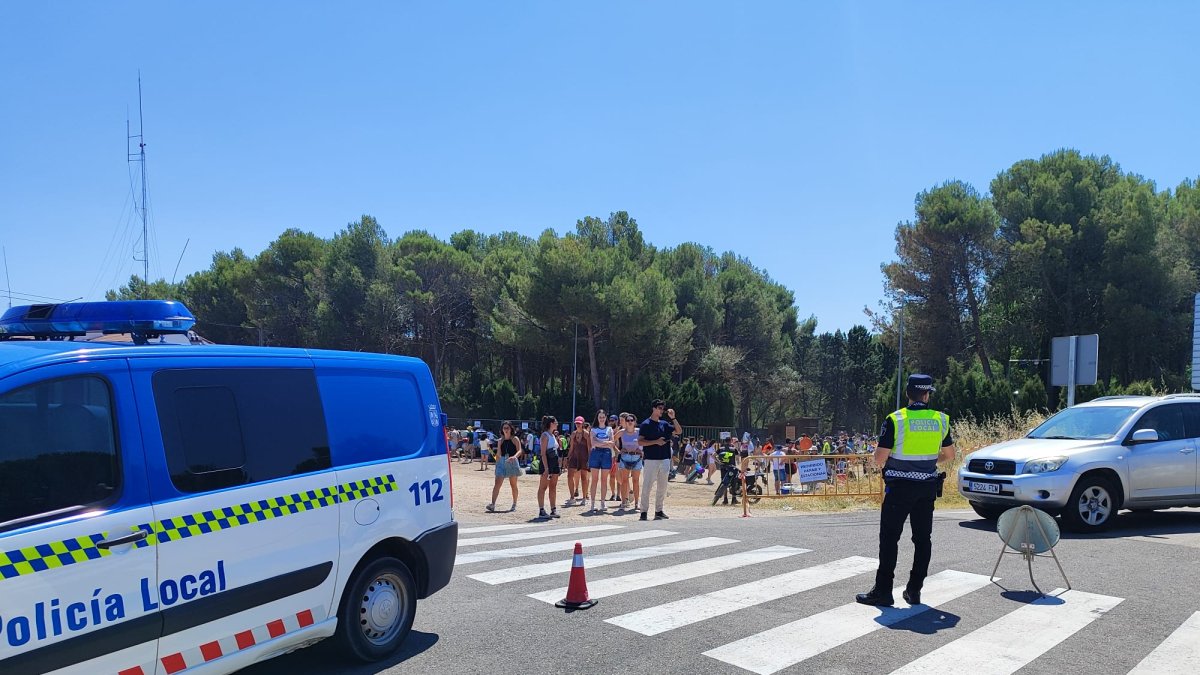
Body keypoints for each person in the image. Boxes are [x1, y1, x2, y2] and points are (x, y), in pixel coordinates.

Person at [856, 374, 957, 607]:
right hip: (927, 487)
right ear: (927, 394)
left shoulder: (896, 419)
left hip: (899, 488)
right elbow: (950, 455)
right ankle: (914, 590)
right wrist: (929, 461)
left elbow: (879, 458)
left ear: (908, 394)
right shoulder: (940, 419)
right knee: (922, 539)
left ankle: (883, 591)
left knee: (889, 539)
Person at [638, 399, 681, 521]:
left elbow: (679, 431)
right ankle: (643, 512)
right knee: (647, 486)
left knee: (662, 487)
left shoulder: (664, 424)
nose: (662, 410)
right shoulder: (646, 424)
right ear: (654, 408)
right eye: (659, 408)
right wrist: (655, 442)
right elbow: (640, 441)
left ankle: (659, 511)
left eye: (663, 408)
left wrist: (673, 418)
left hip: (665, 458)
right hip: (651, 459)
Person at [487, 421, 524, 512]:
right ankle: (493, 504)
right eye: (504, 428)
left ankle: (514, 504)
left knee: (513, 484)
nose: (506, 430)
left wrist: (514, 457)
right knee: (497, 484)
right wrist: (490, 451)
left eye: (507, 428)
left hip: (512, 461)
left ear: (511, 429)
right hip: (501, 461)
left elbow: (520, 451)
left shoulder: (515, 439)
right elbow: (498, 454)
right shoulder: (500, 440)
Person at [587, 410, 617, 512]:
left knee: (604, 480)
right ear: (597, 418)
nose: (602, 419)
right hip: (595, 453)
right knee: (594, 480)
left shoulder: (609, 429)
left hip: (606, 454)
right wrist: (606, 443)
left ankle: (603, 503)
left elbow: (612, 443)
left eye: (603, 417)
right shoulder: (593, 429)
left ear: (606, 418)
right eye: (600, 417)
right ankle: (592, 503)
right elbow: (593, 443)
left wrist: (600, 442)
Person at [536, 416, 563, 520]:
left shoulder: (553, 435)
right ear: (551, 423)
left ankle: (553, 509)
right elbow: (543, 453)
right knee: (543, 487)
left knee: (553, 487)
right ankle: (541, 510)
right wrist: (546, 468)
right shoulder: (545, 435)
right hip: (547, 463)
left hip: (554, 463)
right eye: (555, 422)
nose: (557, 424)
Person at [617, 413, 643, 512]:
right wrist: (618, 450)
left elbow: (646, 441)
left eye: (632, 420)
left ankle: (636, 503)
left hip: (636, 457)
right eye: (628, 420)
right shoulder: (622, 432)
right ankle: (624, 502)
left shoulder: (639, 431)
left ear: (635, 422)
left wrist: (642, 451)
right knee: (624, 481)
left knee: (636, 481)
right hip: (625, 457)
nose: (630, 422)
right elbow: (612, 440)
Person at [566, 417, 591, 506]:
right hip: (574, 457)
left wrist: (589, 460)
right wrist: (568, 457)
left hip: (584, 457)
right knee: (569, 476)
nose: (578, 425)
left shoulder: (587, 434)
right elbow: (571, 447)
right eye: (576, 423)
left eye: (579, 423)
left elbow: (589, 448)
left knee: (584, 478)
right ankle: (572, 497)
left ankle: (584, 498)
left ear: (583, 423)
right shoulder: (573, 434)